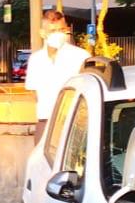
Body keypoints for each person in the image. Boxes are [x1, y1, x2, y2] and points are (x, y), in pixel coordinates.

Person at [25, 10, 89, 138]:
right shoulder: (36, 59)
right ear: (43, 33)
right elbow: (34, 92)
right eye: (53, 31)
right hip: (46, 121)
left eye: (61, 30)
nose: (58, 34)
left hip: (73, 122)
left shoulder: (81, 56)